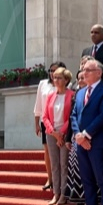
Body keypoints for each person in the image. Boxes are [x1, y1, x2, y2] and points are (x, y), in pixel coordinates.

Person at [70, 59, 103, 205]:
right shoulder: (80, 92)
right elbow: (73, 115)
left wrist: (86, 134)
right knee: (87, 180)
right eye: (83, 70)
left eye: (88, 70)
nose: (84, 73)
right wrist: (78, 136)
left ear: (99, 72)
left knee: (102, 179)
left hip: (97, 143)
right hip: (81, 144)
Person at [42, 67, 75, 205]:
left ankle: (64, 193)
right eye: (54, 77)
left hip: (65, 133)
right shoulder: (50, 95)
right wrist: (54, 132)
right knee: (55, 164)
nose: (55, 80)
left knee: (64, 164)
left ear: (66, 80)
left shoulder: (72, 94)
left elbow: (72, 115)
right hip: (51, 134)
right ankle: (56, 193)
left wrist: (61, 132)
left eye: (59, 78)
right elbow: (44, 116)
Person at [33, 62, 65, 191]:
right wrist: (36, 123)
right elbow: (38, 105)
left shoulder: (65, 84)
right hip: (46, 122)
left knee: (61, 154)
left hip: (60, 123)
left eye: (56, 71)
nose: (53, 74)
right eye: (51, 71)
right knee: (47, 152)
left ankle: (61, 182)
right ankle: (50, 178)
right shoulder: (43, 84)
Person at [65, 69, 86, 205]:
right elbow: (71, 117)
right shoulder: (77, 95)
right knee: (75, 167)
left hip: (90, 136)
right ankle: (78, 197)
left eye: (82, 78)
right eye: (78, 79)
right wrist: (68, 137)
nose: (80, 81)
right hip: (75, 136)